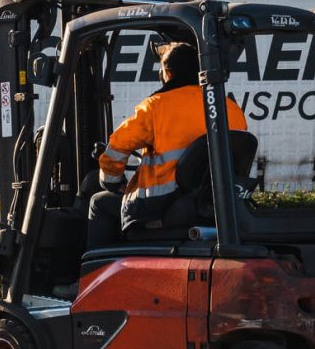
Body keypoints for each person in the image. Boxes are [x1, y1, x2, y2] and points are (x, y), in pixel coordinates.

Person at [88, 42, 248, 250]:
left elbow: (117, 147)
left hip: (161, 204)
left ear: (168, 72)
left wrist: (112, 181)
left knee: (98, 202)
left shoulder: (157, 106)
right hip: (215, 205)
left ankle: (95, 273)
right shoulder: (229, 107)